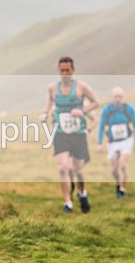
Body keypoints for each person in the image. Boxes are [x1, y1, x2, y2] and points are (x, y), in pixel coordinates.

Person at [39, 56, 99, 213]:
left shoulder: (82, 87)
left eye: (67, 70)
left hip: (78, 133)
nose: (65, 73)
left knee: (79, 169)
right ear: (58, 71)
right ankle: (67, 203)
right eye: (62, 71)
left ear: (73, 71)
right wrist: (44, 113)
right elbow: (49, 102)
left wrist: (83, 111)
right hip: (60, 132)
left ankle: (82, 193)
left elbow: (95, 102)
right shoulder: (52, 88)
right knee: (62, 167)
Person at [97, 87, 135, 198]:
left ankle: (122, 189)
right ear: (111, 97)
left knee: (123, 165)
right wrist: (99, 143)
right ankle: (118, 183)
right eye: (115, 97)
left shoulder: (128, 109)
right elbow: (101, 126)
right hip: (113, 142)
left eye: (120, 97)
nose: (117, 99)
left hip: (126, 140)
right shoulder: (107, 110)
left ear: (123, 97)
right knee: (114, 170)